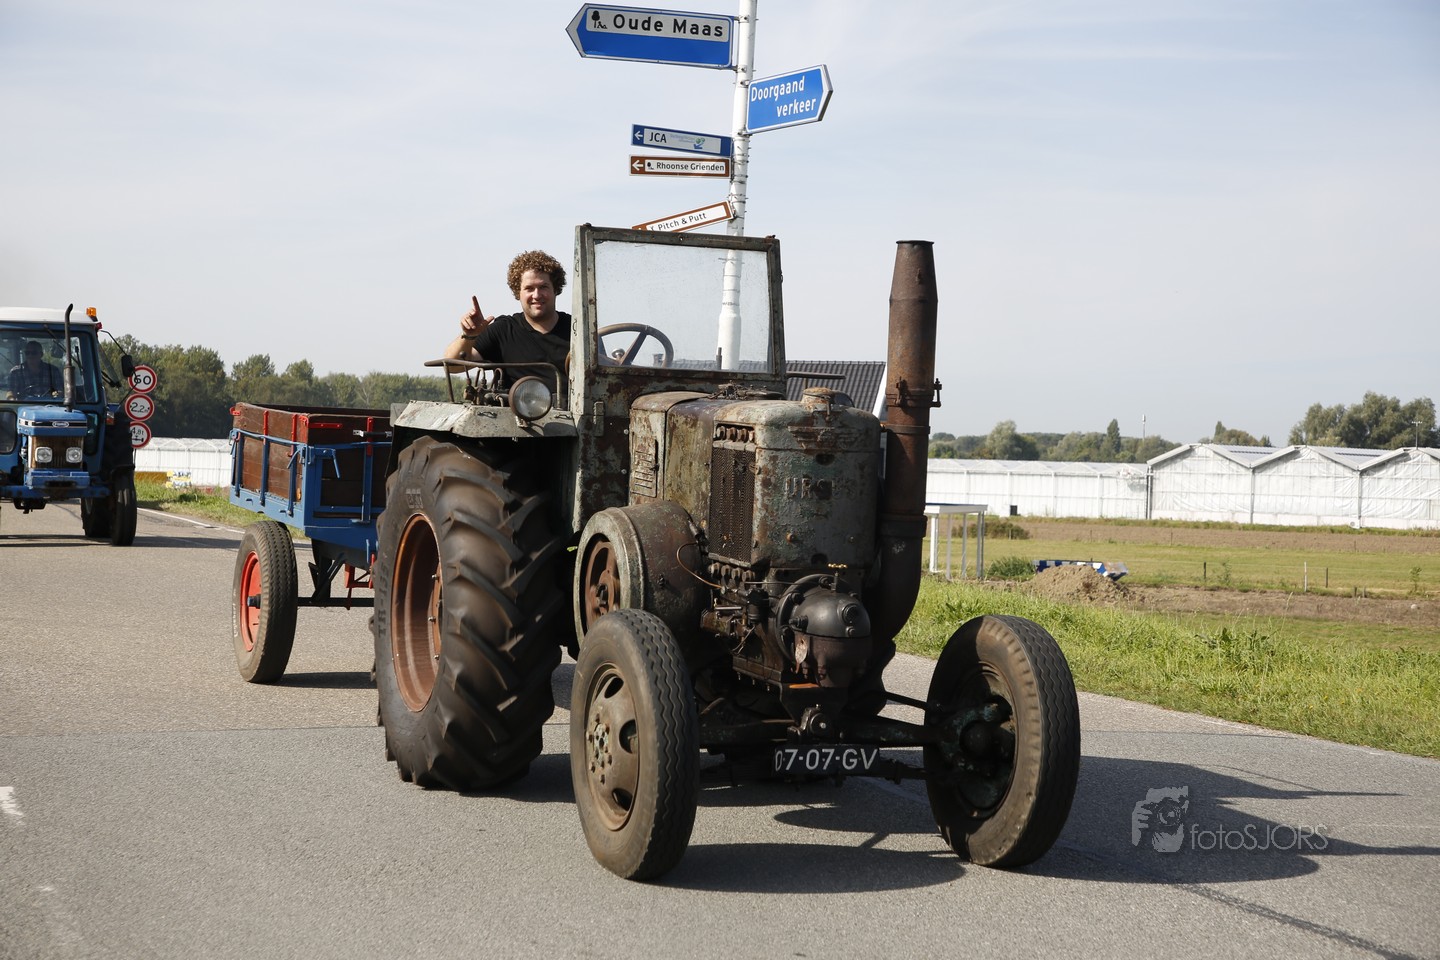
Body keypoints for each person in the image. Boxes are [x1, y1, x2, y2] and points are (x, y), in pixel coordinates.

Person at [443, 250, 571, 387]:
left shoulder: (577, 330)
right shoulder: (503, 330)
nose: (536, 295)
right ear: (518, 292)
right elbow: (452, 366)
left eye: (543, 287)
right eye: (529, 288)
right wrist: (469, 335)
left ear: (555, 289)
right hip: (513, 402)